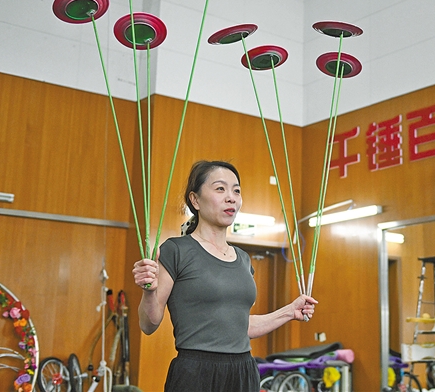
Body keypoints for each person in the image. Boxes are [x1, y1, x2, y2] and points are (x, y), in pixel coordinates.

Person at [132, 160, 316, 392]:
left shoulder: (243, 259)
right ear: (195, 200)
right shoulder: (176, 250)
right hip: (196, 373)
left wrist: (290, 311)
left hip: (243, 371)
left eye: (236, 191)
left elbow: (240, 326)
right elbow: (148, 324)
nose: (231, 198)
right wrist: (149, 293)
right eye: (220, 189)